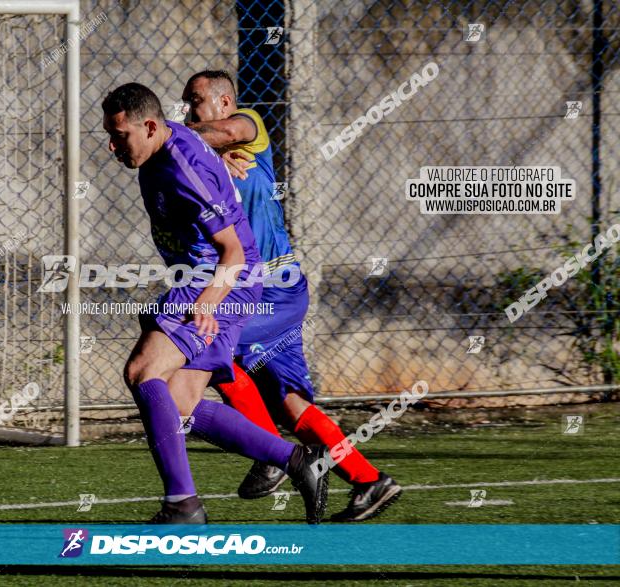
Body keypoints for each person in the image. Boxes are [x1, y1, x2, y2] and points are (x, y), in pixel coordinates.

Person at [102, 82, 329, 524]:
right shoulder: (164, 144)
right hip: (212, 277)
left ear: (150, 127)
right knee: (180, 404)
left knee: (142, 370)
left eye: (120, 135)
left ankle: (183, 505)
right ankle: (298, 461)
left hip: (219, 278)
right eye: (109, 135)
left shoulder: (183, 168)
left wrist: (208, 302)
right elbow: (199, 142)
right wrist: (217, 164)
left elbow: (234, 252)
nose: (113, 146)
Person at [183, 71, 401, 522]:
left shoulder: (247, 125)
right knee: (289, 402)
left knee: (213, 353)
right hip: (268, 291)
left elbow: (224, 133)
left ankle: (271, 456)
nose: (188, 110)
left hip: (272, 290)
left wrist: (176, 136)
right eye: (185, 104)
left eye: (196, 101)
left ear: (225, 102)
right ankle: (368, 480)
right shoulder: (205, 156)